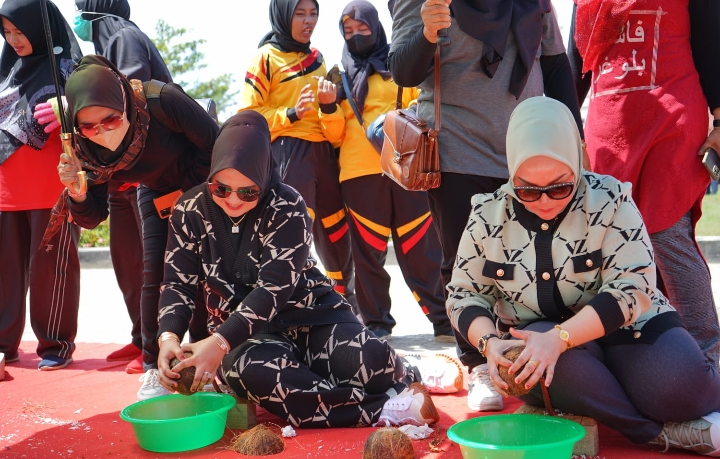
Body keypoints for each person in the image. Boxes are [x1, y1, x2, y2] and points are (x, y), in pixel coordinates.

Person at [447, 96, 720, 456]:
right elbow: (464, 294)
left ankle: (624, 395)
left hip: (630, 328)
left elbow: (633, 286)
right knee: (531, 360)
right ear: (511, 172)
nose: (544, 201)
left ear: (578, 163)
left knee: (683, 391)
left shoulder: (610, 198)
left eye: (560, 186)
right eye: (527, 189)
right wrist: (488, 344)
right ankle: (655, 433)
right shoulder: (487, 215)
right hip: (545, 344)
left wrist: (563, 337)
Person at [156, 110, 440, 429]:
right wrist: (168, 337)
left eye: (247, 192)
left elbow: (273, 290)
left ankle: (406, 372)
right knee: (250, 372)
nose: (232, 201)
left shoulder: (288, 204)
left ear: (263, 177)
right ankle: (381, 408)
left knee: (372, 360)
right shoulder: (189, 210)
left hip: (311, 317)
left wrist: (218, 342)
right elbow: (177, 284)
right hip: (246, 337)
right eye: (221, 189)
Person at [388, 0, 584, 412]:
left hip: (530, 149)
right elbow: (402, 73)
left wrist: (573, 137)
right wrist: (426, 32)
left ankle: (534, 353)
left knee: (540, 258)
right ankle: (477, 363)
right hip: (457, 146)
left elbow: (554, 66)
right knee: (465, 261)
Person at [55, 55, 218, 400]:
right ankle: (153, 367)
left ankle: (208, 361)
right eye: (89, 126)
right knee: (155, 274)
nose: (102, 132)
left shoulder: (162, 101)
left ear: (123, 103)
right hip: (154, 191)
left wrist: (185, 194)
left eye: (111, 119)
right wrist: (78, 193)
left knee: (207, 273)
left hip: (202, 184)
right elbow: (92, 216)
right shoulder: (82, 146)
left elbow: (214, 143)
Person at [568, 0, 720, 367]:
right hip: (608, 128)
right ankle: (636, 355)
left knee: (666, 233)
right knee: (610, 246)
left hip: (672, 119)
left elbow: (712, 40)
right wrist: (565, 126)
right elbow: (575, 61)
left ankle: (708, 359)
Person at [333, 0, 451, 344]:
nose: (356, 36)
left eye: (363, 28)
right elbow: (333, 132)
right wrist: (327, 108)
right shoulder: (338, 75)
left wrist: (392, 118)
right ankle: (377, 323)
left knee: (422, 248)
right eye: (348, 31)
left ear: (377, 26)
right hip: (358, 173)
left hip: (406, 167)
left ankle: (443, 319)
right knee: (368, 253)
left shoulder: (400, 58)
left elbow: (421, 99)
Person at [71, 0, 173, 370]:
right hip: (120, 175)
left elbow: (130, 100)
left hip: (146, 171)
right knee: (126, 261)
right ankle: (138, 337)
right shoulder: (107, 44)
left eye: (81, 9)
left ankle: (158, 345)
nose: (77, 18)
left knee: (151, 266)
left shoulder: (125, 38)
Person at [237, 0, 357, 312]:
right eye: (300, 14)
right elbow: (247, 117)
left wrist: (329, 107)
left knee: (337, 234)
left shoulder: (319, 60)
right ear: (283, 15)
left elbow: (334, 130)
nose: (309, 21)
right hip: (288, 154)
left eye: (313, 13)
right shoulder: (265, 58)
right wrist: (289, 114)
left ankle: (344, 305)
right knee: (295, 234)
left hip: (324, 157)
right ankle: (292, 308)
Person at [0, 0, 82, 371]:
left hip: (53, 186)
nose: (13, 39)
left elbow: (99, 113)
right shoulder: (6, 71)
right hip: (6, 189)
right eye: (6, 32)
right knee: (4, 269)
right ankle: (4, 345)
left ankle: (55, 345)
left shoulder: (69, 69)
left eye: (19, 30)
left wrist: (72, 104)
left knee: (53, 268)